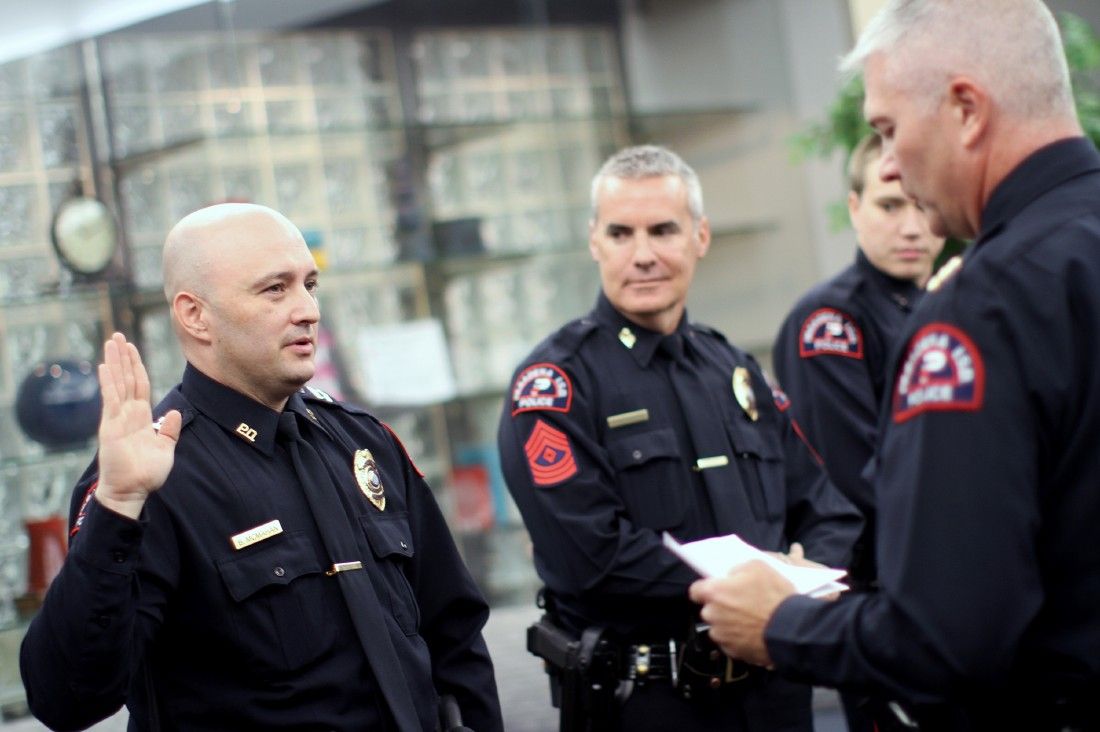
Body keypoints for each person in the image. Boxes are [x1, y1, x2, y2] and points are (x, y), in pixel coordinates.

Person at [690, 1, 1100, 728]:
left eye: (886, 128)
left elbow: (947, 636)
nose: (888, 162)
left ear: (966, 109)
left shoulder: (987, 307)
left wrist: (780, 624)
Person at [20, 203, 503, 731]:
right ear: (194, 315)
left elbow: (454, 635)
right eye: (275, 289)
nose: (307, 310)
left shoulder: (364, 441)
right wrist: (118, 503)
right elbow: (66, 698)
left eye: (310, 285)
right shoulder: (153, 469)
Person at [497, 145, 862, 731]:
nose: (643, 255)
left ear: (701, 236)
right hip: (646, 702)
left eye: (664, 230)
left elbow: (828, 510)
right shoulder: (556, 386)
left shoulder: (736, 372)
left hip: (775, 697)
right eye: (621, 233)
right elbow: (590, 557)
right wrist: (755, 584)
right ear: (595, 241)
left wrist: (801, 586)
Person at [773, 130, 944, 732]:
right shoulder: (830, 321)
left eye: (923, 204)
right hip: (884, 602)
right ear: (853, 208)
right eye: (889, 205)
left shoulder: (944, 306)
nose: (912, 226)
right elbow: (858, 478)